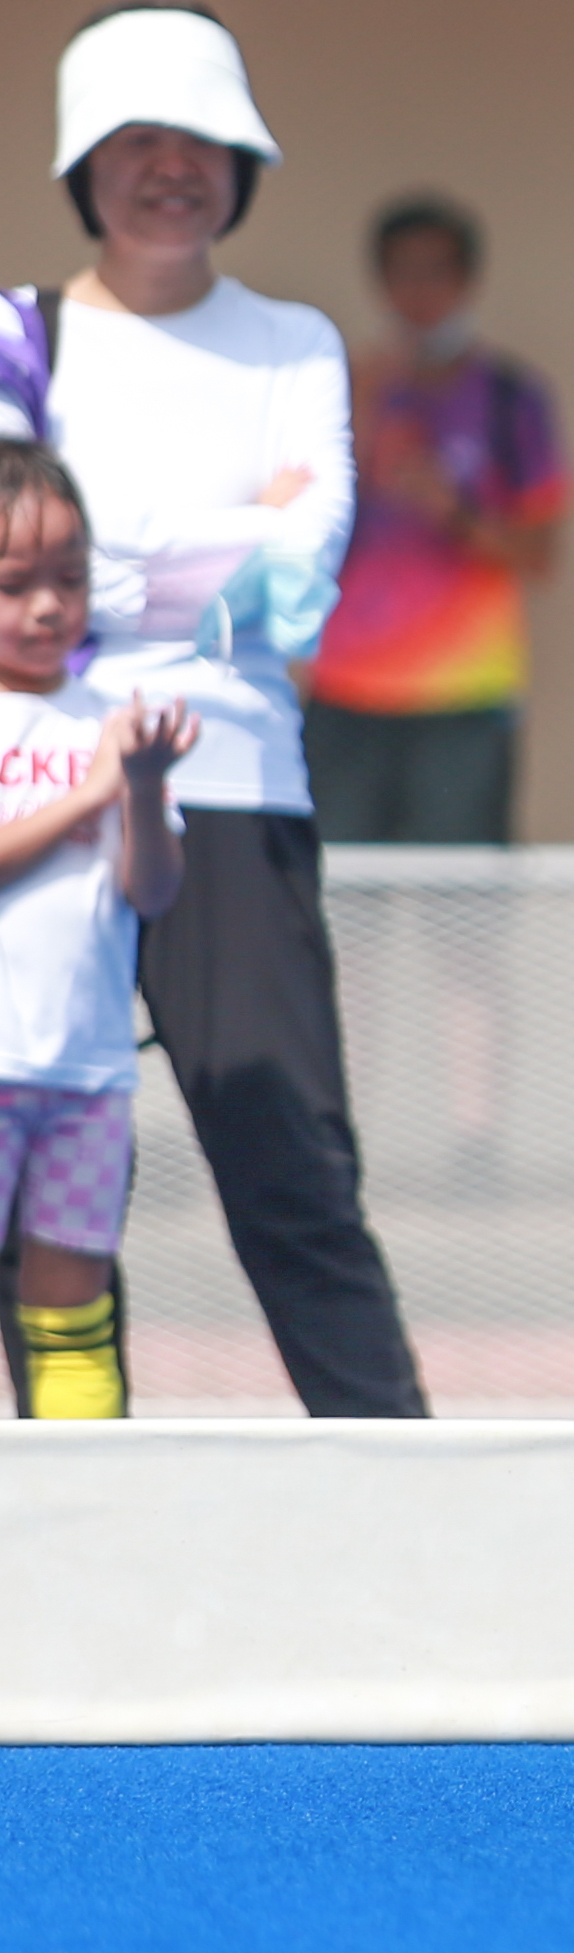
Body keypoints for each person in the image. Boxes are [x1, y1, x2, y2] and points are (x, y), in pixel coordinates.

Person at [40, 4, 427, 1421]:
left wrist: (94, 561)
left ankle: (403, 1476)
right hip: (41, 785)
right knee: (40, 1156)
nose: (169, 169)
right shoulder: (20, 338)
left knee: (290, 1163)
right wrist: (218, 539)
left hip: (236, 782)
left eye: (201, 141)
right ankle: (65, 1481)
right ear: (82, 163)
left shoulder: (292, 340)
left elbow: (298, 588)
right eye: (135, 140)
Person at [0, 444, 196, 1420]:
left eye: (69, 580)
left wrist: (146, 790)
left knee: (68, 1300)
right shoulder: (83, 753)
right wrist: (94, 790)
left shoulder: (111, 723)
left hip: (85, 1075)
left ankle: (81, 1504)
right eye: (14, 584)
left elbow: (151, 890)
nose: (47, 606)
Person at [305, 194, 572, 845]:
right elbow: (297, 538)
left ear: (465, 281)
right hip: (344, 689)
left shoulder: (512, 398)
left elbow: (540, 555)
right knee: (337, 906)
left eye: (436, 272)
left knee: (464, 912)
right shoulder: (339, 389)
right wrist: (360, 415)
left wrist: (453, 508)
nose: (418, 292)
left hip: (465, 695)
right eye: (402, 272)